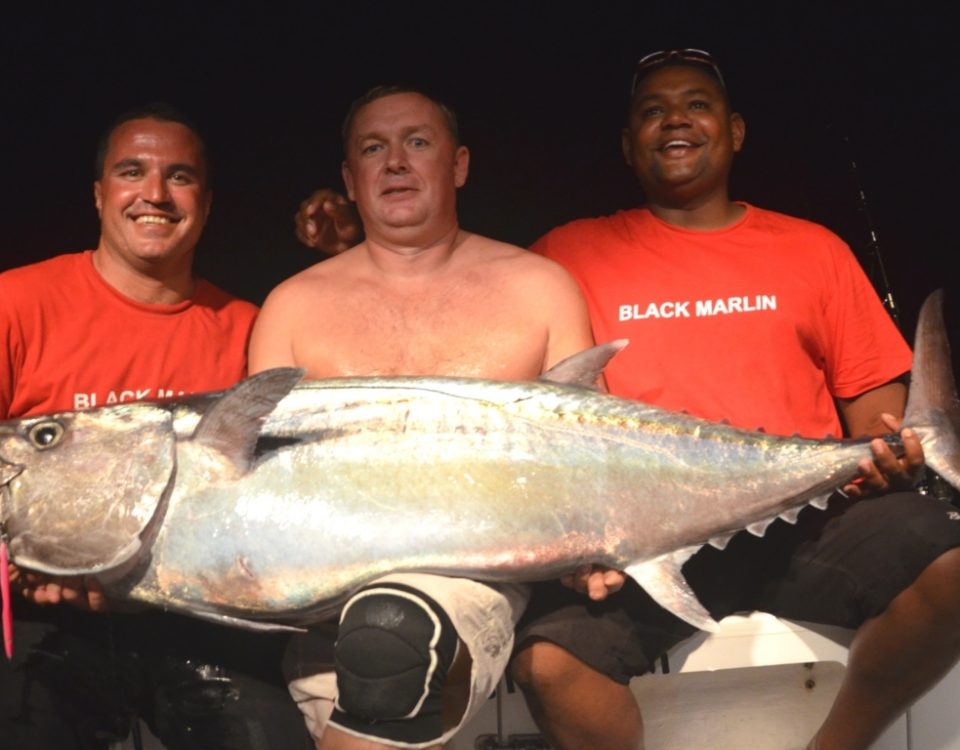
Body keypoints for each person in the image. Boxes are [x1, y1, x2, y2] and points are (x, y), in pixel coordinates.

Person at [291, 52, 960, 750]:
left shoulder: (814, 250)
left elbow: (877, 423)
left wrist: (895, 455)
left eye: (696, 104)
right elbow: (452, 291)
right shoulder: (565, 255)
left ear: (734, 131)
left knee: (951, 565)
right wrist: (356, 244)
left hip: (803, 522)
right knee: (549, 665)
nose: (674, 119)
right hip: (646, 537)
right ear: (626, 144)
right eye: (651, 110)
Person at [248, 85, 596, 750]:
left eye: (417, 142)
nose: (396, 162)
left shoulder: (538, 285)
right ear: (351, 180)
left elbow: (593, 451)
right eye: (374, 149)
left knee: (391, 632)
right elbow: (259, 479)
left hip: (474, 580)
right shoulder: (291, 307)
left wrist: (605, 545)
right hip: (321, 596)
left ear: (458, 165)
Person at [0, 103, 312, 750]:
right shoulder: (16, 303)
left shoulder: (250, 327)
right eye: (131, 171)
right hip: (44, 618)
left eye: (179, 176)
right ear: (98, 194)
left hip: (195, 621)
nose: (154, 193)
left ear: (206, 200)